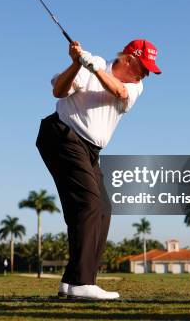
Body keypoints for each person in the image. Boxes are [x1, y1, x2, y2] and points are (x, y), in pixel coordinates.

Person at [36, 39, 161, 300]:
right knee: (89, 205)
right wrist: (75, 65)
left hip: (90, 151)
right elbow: (58, 92)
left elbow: (119, 92)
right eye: (144, 67)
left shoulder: (135, 87)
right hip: (61, 135)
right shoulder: (92, 66)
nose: (146, 74)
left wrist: (94, 68)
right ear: (128, 59)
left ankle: (73, 282)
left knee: (103, 209)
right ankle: (82, 283)